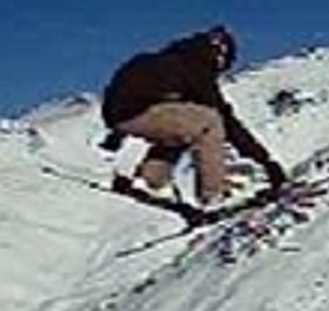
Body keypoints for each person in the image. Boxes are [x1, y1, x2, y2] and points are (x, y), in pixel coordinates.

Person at [99, 25, 288, 209]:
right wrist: (265, 162)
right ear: (220, 54)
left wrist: (115, 136)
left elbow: (126, 95)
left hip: (122, 115)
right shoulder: (196, 66)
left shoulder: (168, 61)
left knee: (186, 128)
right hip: (138, 112)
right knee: (210, 121)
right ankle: (214, 195)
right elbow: (225, 119)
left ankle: (151, 180)